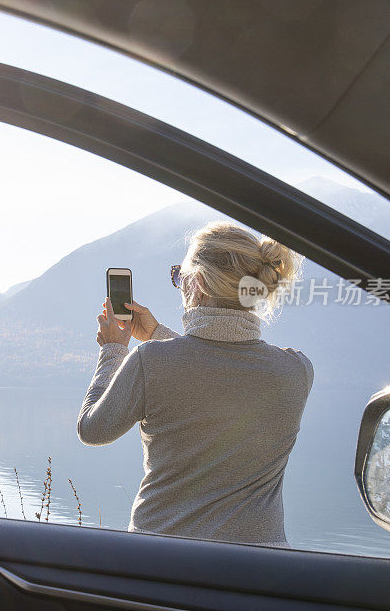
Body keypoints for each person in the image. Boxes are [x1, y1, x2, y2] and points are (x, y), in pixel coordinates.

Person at [78, 221, 313, 547]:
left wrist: (113, 350)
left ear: (198, 284)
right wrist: (160, 334)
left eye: (179, 278)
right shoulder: (297, 370)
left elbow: (93, 430)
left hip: (165, 564)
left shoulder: (151, 362)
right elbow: (224, 373)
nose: (180, 287)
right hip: (263, 573)